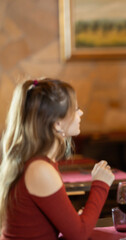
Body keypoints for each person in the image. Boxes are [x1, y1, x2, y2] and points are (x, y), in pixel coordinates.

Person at [0, 78, 115, 240]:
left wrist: (76, 219)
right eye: (75, 109)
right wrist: (101, 184)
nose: (80, 113)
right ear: (57, 124)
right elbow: (79, 234)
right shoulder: (40, 168)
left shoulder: (39, 162)